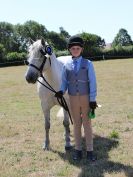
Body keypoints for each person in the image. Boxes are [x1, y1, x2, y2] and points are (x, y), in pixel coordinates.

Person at [55, 35, 97, 161]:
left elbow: (93, 82)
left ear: (81, 49)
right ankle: (78, 150)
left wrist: (93, 99)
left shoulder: (88, 64)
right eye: (73, 48)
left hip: (85, 97)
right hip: (72, 98)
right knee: (76, 125)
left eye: (78, 48)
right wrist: (61, 91)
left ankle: (90, 151)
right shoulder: (66, 65)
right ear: (69, 50)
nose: (75, 50)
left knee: (87, 124)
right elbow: (64, 82)